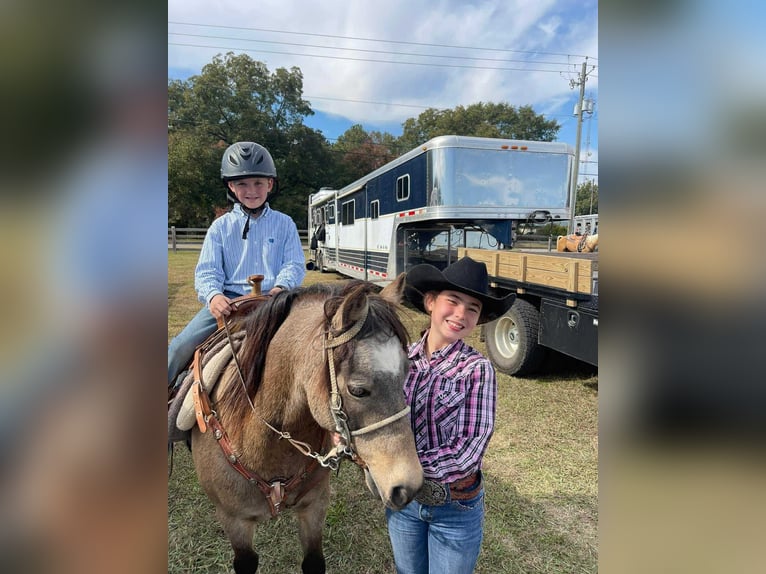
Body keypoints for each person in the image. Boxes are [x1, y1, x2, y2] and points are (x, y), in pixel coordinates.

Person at [386, 256, 515, 574]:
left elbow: (468, 448)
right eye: (453, 301)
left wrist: (401, 466)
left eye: (472, 308)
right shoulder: (401, 359)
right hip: (404, 503)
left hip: (454, 506)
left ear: (479, 319)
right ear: (430, 302)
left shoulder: (476, 369)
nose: (461, 314)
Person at [167, 141, 306, 388]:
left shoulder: (285, 224)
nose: (251, 190)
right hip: (231, 302)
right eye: (242, 183)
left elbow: (294, 263)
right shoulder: (220, 227)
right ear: (231, 186)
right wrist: (213, 297)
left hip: (275, 300)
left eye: (258, 183)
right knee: (179, 347)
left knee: (317, 346)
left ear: (270, 184)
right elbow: (208, 270)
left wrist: (282, 286)